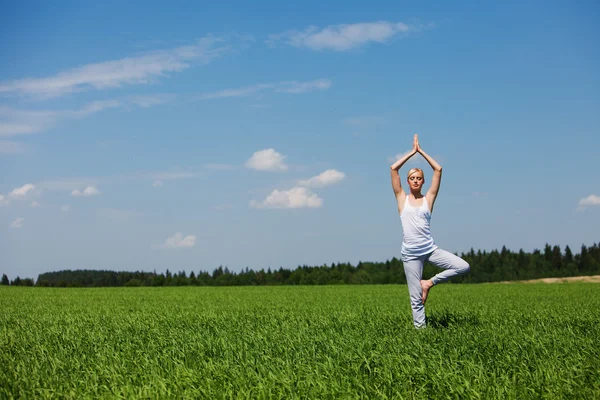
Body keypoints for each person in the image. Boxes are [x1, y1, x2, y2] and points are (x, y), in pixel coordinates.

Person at [390, 134, 470, 328]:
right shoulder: (401, 198)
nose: (415, 181)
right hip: (410, 255)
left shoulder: (429, 199)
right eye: (412, 178)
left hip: (430, 250)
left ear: (423, 182)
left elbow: (438, 169)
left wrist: (422, 152)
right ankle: (421, 335)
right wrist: (412, 152)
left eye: (419, 178)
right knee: (415, 299)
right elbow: (393, 168)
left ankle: (429, 283)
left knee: (463, 266)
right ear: (408, 182)